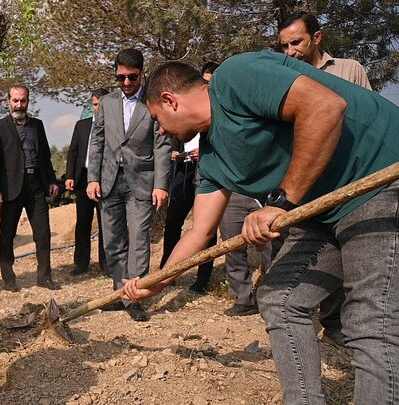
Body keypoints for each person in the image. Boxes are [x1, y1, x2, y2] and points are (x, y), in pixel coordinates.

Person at [123, 52, 398, 403]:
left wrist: (280, 204)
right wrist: (157, 282)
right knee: (281, 300)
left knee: (372, 321)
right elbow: (200, 232)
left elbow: (326, 106)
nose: (160, 130)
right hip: (322, 211)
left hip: (379, 180)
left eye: (157, 119)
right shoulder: (211, 160)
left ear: (169, 100)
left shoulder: (234, 78)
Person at [278, 11, 373, 343]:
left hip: (352, 178)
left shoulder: (350, 70)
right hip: (307, 182)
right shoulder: (283, 76)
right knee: (311, 252)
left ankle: (341, 325)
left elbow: (368, 117)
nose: (291, 51)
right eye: (285, 45)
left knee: (352, 252)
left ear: (317, 38)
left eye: (297, 42)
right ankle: (320, 316)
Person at [86, 48, 172, 322]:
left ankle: (135, 296)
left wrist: (161, 184)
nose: (126, 83)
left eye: (132, 77)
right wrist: (93, 178)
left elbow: (162, 145)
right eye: (120, 77)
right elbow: (97, 141)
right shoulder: (108, 103)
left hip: (141, 183)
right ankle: (118, 293)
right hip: (109, 182)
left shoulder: (153, 102)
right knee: (112, 240)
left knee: (138, 241)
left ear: (142, 74)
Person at [0, 84, 61, 292]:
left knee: (43, 234)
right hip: (11, 189)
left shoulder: (37, 126)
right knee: (7, 235)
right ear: (8, 101)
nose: (19, 104)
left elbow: (45, 156)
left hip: (36, 186)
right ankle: (9, 280)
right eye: (15, 100)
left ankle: (44, 278)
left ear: (28, 101)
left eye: (23, 100)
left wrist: (52, 182)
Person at [160, 62, 218, 295]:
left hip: (206, 167)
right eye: (204, 81)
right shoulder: (182, 114)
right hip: (183, 171)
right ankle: (166, 270)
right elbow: (174, 131)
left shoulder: (220, 113)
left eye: (210, 82)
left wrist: (203, 153)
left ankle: (202, 277)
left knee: (206, 224)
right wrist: (174, 152)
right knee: (173, 220)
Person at [65, 88, 109, 276]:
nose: (97, 108)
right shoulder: (81, 125)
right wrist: (69, 176)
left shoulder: (113, 127)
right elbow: (73, 152)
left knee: (106, 223)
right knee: (83, 223)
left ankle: (106, 264)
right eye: (95, 105)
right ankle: (81, 263)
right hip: (83, 179)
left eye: (101, 105)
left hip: (105, 180)